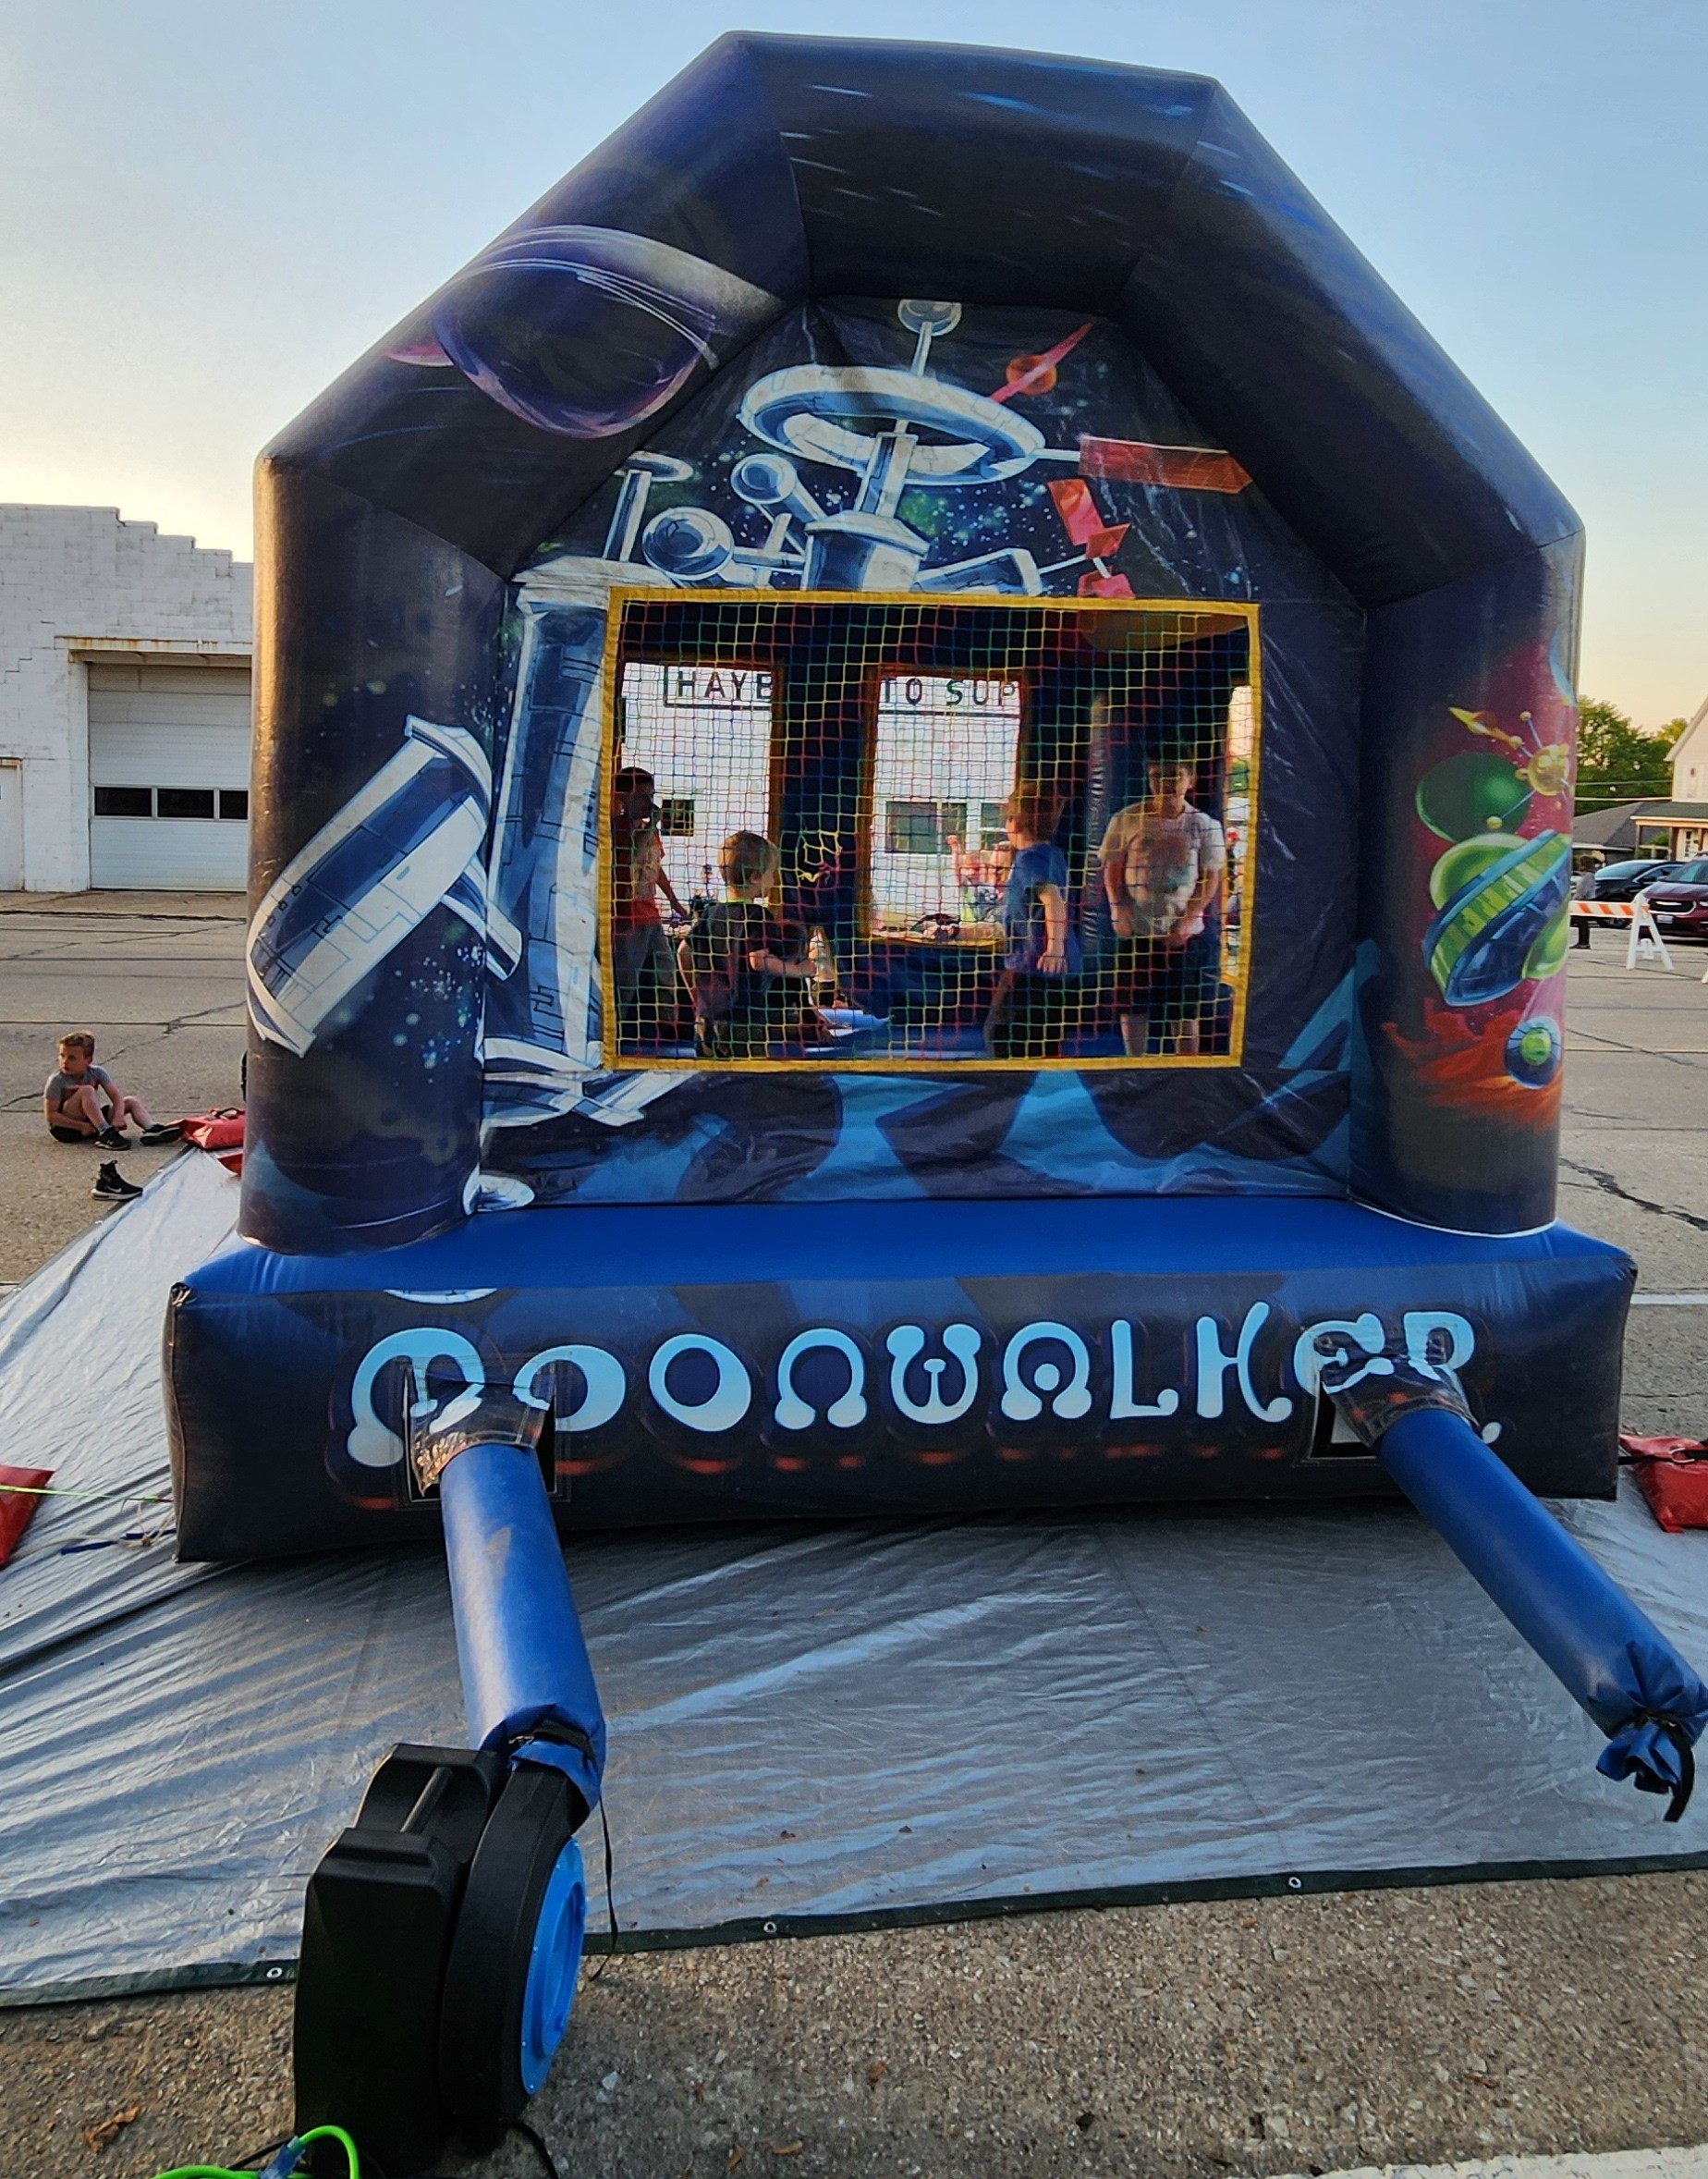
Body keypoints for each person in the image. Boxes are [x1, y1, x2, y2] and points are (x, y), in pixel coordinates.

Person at [1100, 757, 1226, 1056]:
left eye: (1174, 775)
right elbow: (1112, 868)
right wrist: (1118, 908)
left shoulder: (1204, 825)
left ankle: (1186, 1068)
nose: (1165, 783)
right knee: (1133, 1006)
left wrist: (1189, 918)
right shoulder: (1127, 819)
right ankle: (1135, 1063)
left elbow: (1211, 877)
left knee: (1184, 1009)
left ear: (1190, 780)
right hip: (1138, 928)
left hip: (1182, 932)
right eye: (1157, 775)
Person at [679, 831, 814, 1059]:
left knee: (709, 1076)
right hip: (744, 1019)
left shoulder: (710, 914)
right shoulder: (757, 916)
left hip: (706, 1018)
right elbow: (758, 960)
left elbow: (683, 952)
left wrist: (695, 992)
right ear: (755, 877)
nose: (774, 881)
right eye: (771, 874)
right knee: (747, 1075)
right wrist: (799, 970)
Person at [984, 791, 1080, 1060]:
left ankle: (1012, 1083)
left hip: (1033, 965)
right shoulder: (1053, 854)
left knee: (1001, 1033)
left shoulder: (1029, 859)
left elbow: (1053, 899)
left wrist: (1054, 949)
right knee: (1042, 1041)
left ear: (1014, 822)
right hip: (1056, 970)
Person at [610, 765, 686, 1042]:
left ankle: (669, 1027)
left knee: (666, 970)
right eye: (642, 797)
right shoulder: (616, 829)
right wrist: (651, 825)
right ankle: (614, 1032)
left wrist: (674, 901)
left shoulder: (649, 832)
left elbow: (656, 867)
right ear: (623, 798)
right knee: (625, 980)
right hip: (626, 916)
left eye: (651, 797)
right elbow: (630, 854)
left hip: (650, 914)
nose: (648, 803)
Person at [44, 1033, 178, 1148]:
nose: (65, 1062)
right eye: (62, 1056)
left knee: (131, 1101)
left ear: (88, 1060)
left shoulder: (97, 1072)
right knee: (87, 1090)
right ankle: (105, 1132)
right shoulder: (57, 1080)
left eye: (71, 1058)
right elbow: (51, 1116)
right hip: (67, 1129)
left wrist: (118, 1116)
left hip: (92, 1122)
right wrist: (81, 1126)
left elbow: (115, 1095)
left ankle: (151, 1128)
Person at [1570, 852, 1604, 948]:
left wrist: (1578, 898)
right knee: (1581, 922)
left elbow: (1584, 889)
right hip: (1582, 899)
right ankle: (1582, 942)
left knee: (1582, 922)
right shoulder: (1586, 875)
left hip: (1583, 900)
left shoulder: (1588, 875)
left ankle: (1584, 942)